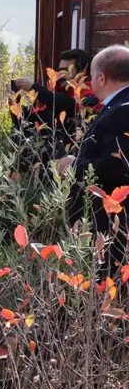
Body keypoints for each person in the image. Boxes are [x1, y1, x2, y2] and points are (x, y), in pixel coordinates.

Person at [56, 45, 129, 273]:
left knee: (105, 286)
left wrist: (72, 164)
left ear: (100, 77)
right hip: (107, 223)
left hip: (109, 224)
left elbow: (115, 167)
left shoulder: (123, 110)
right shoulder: (116, 106)